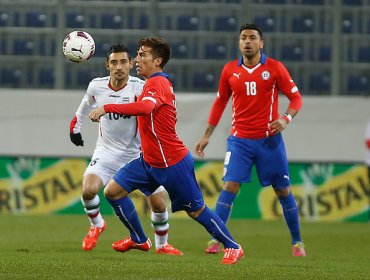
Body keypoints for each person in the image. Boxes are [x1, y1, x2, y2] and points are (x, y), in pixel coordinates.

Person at [89, 37, 243, 265]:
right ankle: (140, 239)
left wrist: (106, 107)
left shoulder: (157, 83)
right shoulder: (152, 83)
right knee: (113, 192)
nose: (137, 59)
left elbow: (145, 107)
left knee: (197, 211)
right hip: (148, 162)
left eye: (142, 55)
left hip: (171, 163)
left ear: (157, 60)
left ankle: (233, 246)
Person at [194, 23, 306, 257]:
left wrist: (285, 119)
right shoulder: (229, 71)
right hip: (240, 141)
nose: (247, 41)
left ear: (260, 43)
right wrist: (206, 136)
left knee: (283, 190)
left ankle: (297, 242)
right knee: (229, 186)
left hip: (269, 141)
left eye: (252, 38)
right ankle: (216, 239)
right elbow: (220, 103)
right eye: (243, 37)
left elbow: (296, 99)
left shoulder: (275, 68)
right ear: (239, 43)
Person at [69, 43, 182, 255]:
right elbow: (83, 108)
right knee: (88, 190)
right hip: (106, 151)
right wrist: (74, 129)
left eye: (123, 62)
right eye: (114, 62)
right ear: (107, 65)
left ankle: (162, 244)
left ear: (131, 64)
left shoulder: (141, 87)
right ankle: (97, 225)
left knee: (158, 204)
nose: (119, 66)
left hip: (137, 154)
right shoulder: (96, 86)